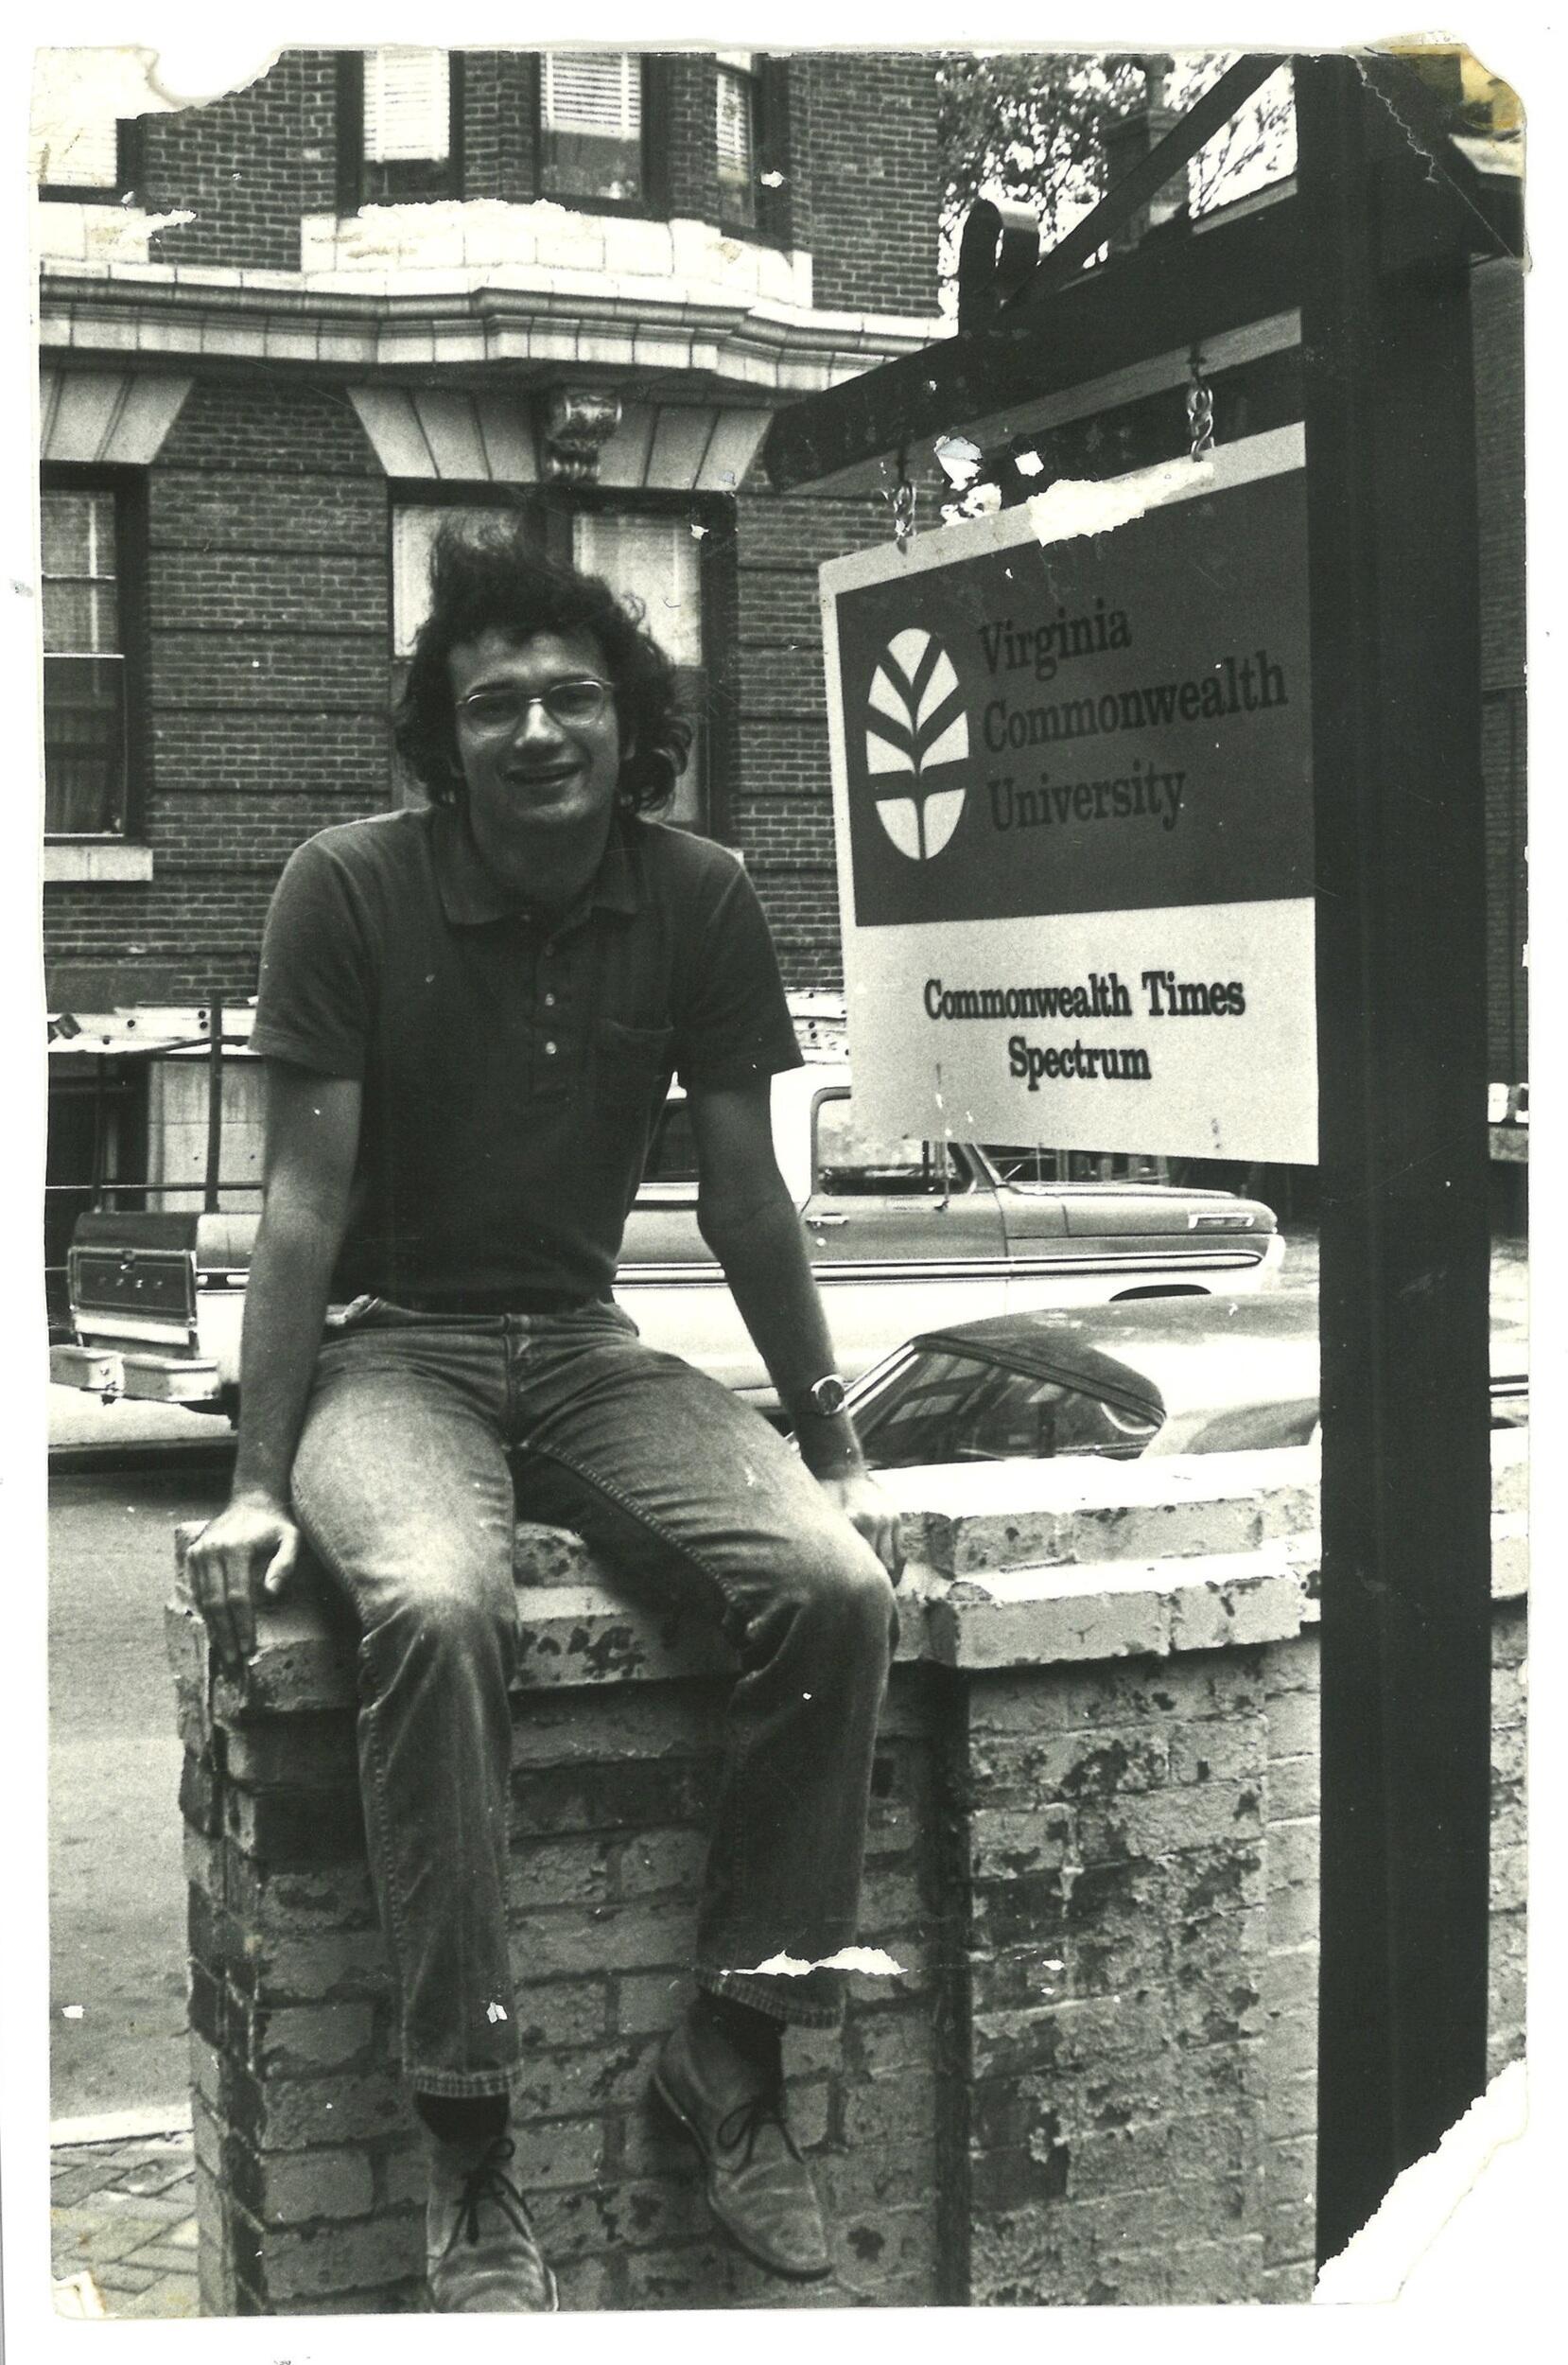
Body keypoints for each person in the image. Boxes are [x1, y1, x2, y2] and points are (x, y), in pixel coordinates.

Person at [184, 521, 903, 2313]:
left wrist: (831, 1440)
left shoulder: (705, 897)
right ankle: (467, 2149)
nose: (536, 731)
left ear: (629, 722)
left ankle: (733, 2058)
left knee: (835, 1590)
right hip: (397, 1350)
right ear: (446, 734)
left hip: (584, 1343)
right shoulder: (344, 888)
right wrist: (258, 1478)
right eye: (492, 701)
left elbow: (746, 1201)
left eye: (572, 695)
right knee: (432, 1604)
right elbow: (300, 1203)